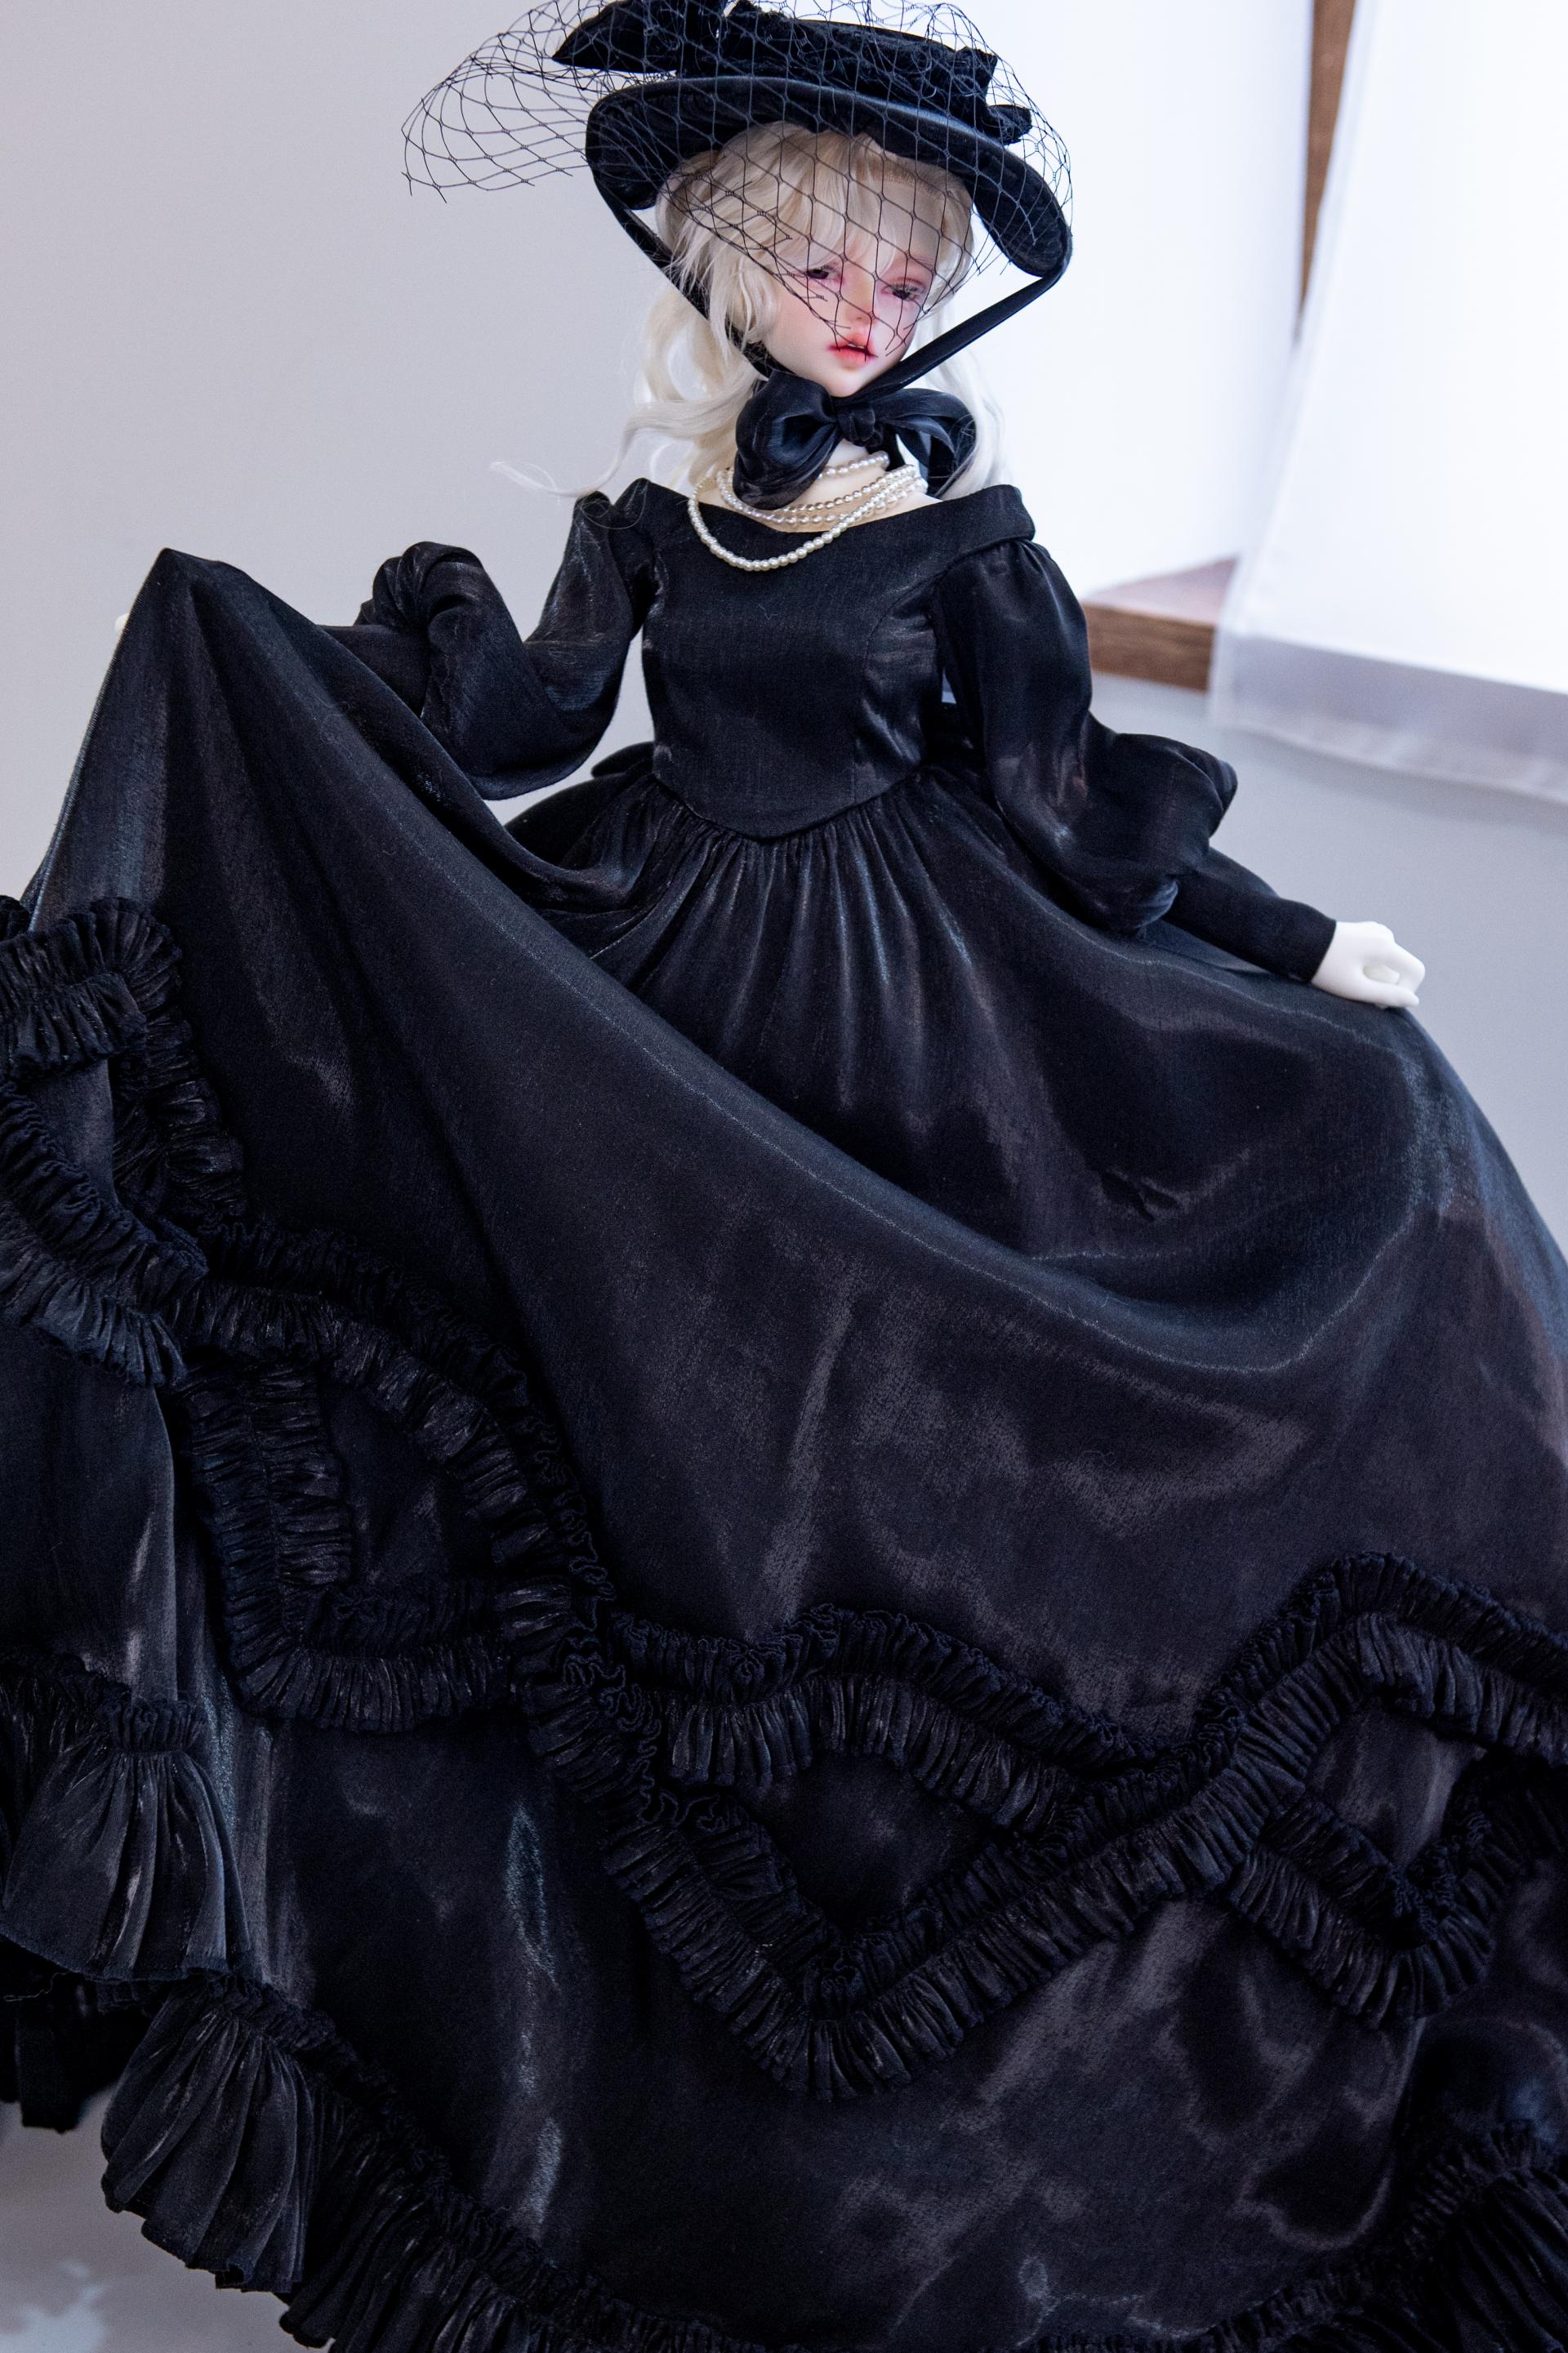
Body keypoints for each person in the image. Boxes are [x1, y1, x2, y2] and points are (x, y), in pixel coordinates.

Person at [2, 6, 1567, 2350]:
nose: (866, 307)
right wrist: (283, 674)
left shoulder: (970, 537)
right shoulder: (654, 526)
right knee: (662, 1488)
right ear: (723, 261)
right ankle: (651, 2105)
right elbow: (523, 720)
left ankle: (981, 2133)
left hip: (936, 1012)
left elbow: (1066, 810)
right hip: (673, 988)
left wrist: (1290, 946)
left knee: (929, 1477)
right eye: (826, 261)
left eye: (904, 272)